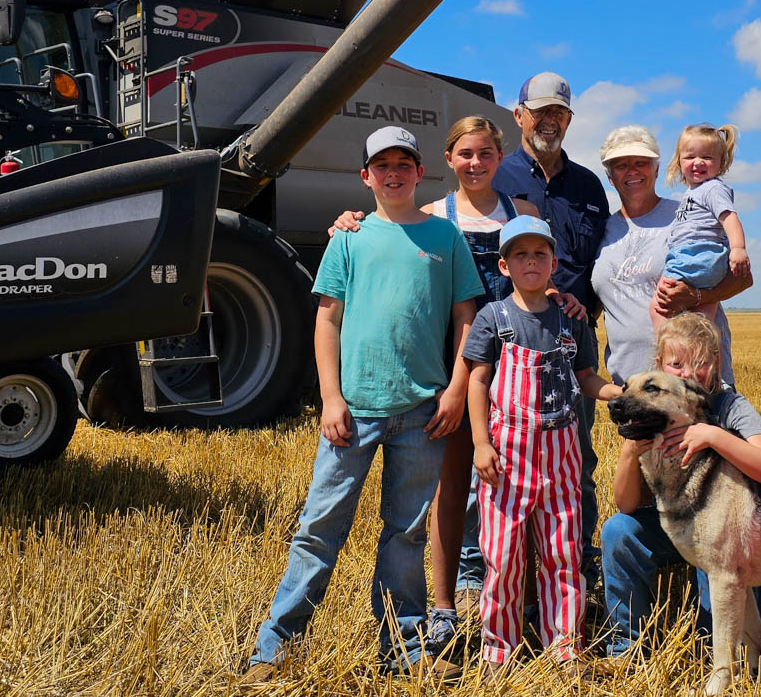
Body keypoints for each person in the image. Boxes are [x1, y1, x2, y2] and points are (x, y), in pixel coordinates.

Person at [244, 126, 484, 683]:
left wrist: (453, 390)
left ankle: (403, 648)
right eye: (383, 166)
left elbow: (464, 318)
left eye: (405, 164)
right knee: (319, 527)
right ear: (366, 176)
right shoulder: (348, 238)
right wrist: (330, 398)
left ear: (421, 173)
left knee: (406, 533)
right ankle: (275, 649)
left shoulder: (446, 240)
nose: (394, 174)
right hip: (353, 411)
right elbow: (327, 318)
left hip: (422, 413)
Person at [414, 116, 583, 652]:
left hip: (519, 364)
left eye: (485, 153)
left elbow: (542, 268)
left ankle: (528, 603)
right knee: (452, 483)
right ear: (449, 157)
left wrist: (566, 300)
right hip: (453, 359)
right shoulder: (432, 214)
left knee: (520, 485)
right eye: (465, 153)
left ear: (498, 156)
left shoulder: (522, 214)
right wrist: (347, 221)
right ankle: (444, 605)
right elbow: (387, 232)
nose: (475, 163)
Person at [464, 215, 621, 668]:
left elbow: (586, 378)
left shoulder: (571, 320)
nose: (531, 261)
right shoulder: (493, 318)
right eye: (520, 254)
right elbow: (478, 382)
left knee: (562, 557)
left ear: (553, 262)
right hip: (506, 458)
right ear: (504, 265)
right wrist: (480, 443)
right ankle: (498, 652)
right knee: (504, 560)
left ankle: (565, 649)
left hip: (561, 459)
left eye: (540, 254)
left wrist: (617, 392)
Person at [598, 313, 761, 659]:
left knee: (715, 536)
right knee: (617, 530)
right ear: (660, 365)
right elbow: (625, 504)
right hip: (668, 525)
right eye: (676, 363)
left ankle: (729, 648)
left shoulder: (730, 407)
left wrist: (712, 435)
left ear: (717, 363)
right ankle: (626, 647)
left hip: (727, 529)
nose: (687, 373)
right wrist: (630, 451)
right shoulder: (647, 414)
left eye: (699, 363)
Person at [491, 73, 611, 584]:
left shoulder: (589, 187)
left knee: (576, 459)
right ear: (518, 115)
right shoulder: (495, 176)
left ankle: (574, 561)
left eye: (558, 113)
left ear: (568, 120)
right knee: (503, 465)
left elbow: (604, 264)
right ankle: (502, 571)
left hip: (571, 349)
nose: (548, 121)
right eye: (539, 111)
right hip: (510, 347)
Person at [590, 125, 753, 387]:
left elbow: (742, 278)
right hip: (635, 389)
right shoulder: (601, 231)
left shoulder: (690, 215)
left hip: (695, 384)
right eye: (621, 165)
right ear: (610, 177)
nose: (632, 171)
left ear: (656, 169)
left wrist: (698, 296)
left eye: (641, 162)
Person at [653, 123, 750, 327]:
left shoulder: (712, 188)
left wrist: (738, 248)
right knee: (704, 318)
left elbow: (729, 217)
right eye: (690, 157)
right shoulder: (694, 193)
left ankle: (663, 352)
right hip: (708, 262)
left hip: (693, 257)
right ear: (679, 162)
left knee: (658, 308)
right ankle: (701, 349)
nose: (698, 162)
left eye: (707, 157)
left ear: (721, 162)